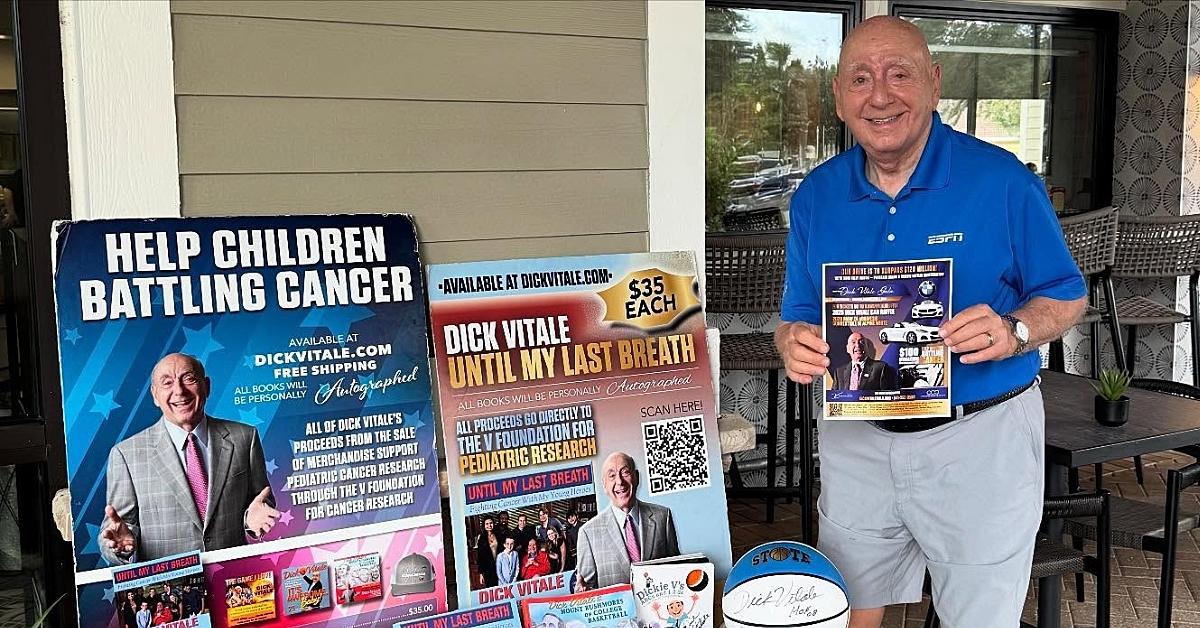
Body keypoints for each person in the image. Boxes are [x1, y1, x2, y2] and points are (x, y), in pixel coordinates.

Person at [773, 16, 1086, 628]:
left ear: (934, 83)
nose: (880, 95)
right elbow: (800, 311)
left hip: (980, 439)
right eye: (860, 78)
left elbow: (1066, 295)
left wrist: (1014, 330)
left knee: (977, 617)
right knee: (847, 610)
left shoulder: (1002, 181)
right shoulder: (815, 195)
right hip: (856, 439)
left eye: (899, 74)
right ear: (838, 96)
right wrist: (792, 339)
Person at [98, 353, 280, 565]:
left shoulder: (245, 438)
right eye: (167, 383)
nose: (179, 391)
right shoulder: (126, 454)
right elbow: (116, 528)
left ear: (206, 386)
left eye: (189, 379)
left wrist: (251, 519)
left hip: (234, 581)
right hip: (169, 589)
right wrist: (122, 548)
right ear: (155, 395)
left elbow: (261, 500)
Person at [575, 452, 679, 589]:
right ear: (604, 485)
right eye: (612, 476)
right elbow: (585, 590)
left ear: (636, 477)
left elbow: (677, 571)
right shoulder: (588, 533)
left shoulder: (662, 517)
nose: (619, 482)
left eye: (625, 472)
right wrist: (581, 592)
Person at [831, 332, 896, 391]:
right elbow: (833, 397)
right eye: (853, 342)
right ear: (847, 348)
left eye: (861, 342)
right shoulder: (839, 372)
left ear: (866, 347)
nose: (858, 345)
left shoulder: (881, 368)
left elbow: (888, 397)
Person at [473, 515, 502, 588]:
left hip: (499, 565)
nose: (489, 525)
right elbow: (480, 557)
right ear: (484, 525)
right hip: (488, 568)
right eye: (487, 524)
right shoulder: (481, 538)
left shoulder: (498, 534)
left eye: (491, 523)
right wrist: (481, 574)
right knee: (491, 588)